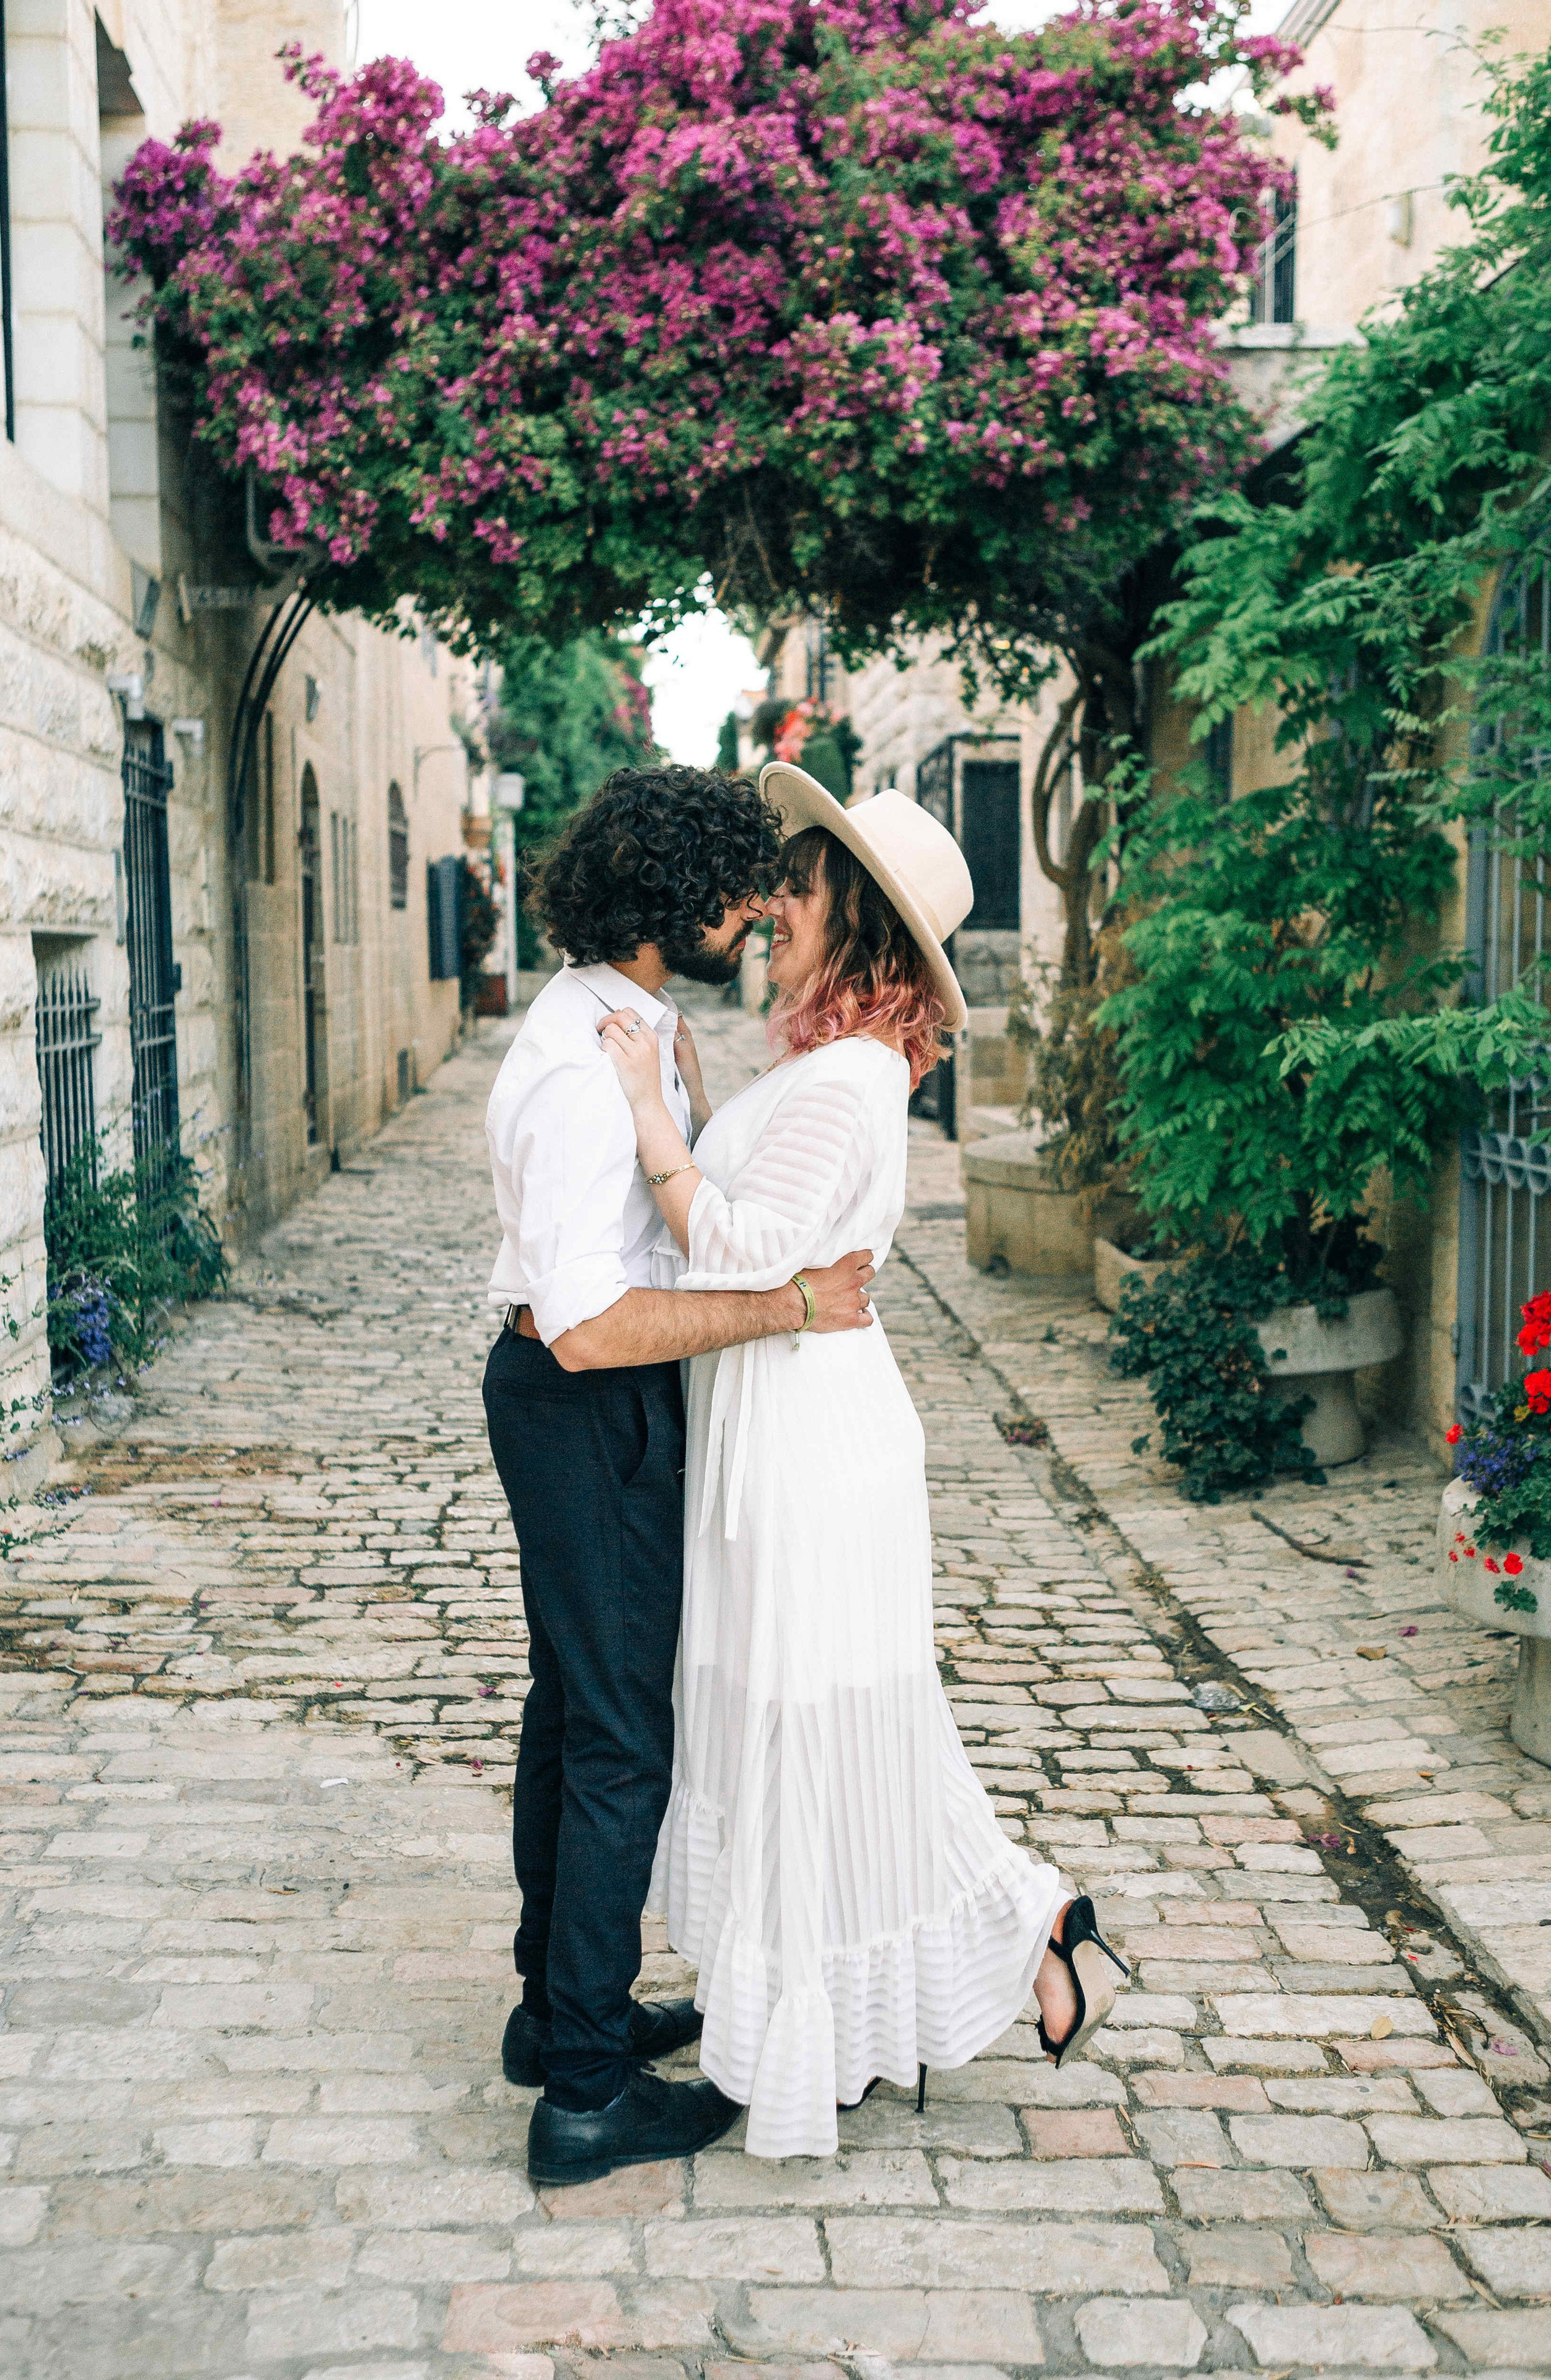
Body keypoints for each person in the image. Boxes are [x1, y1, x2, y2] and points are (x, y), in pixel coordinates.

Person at [597, 764, 1129, 2159]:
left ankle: (780, 2055)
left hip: (807, 1441)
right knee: (842, 1728)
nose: (771, 901)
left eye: (798, 881)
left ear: (857, 919)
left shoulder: (846, 1078)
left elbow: (743, 1248)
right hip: (776, 1416)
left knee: (807, 1725)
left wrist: (652, 1113)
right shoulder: (821, 1066)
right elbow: (758, 1211)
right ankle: (1026, 1928)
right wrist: (706, 1102)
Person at [481, 762, 878, 2190]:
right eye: (741, 884)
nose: (760, 906)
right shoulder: (597, 1063)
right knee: (616, 1745)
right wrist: (789, 1308)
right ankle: (585, 2095)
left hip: (576, 1408)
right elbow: (591, 1326)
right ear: (678, 900)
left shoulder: (615, 1022)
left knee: (569, 1716)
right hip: (590, 1406)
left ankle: (553, 2017)